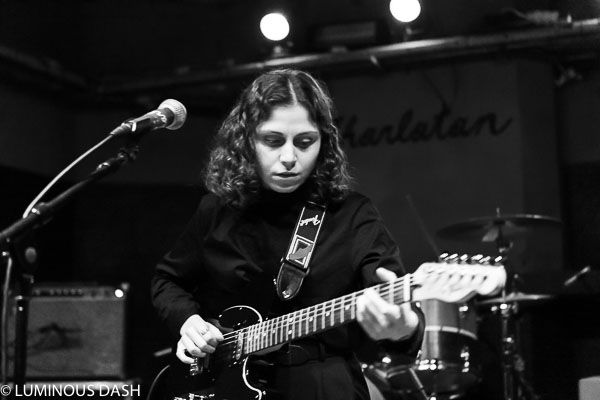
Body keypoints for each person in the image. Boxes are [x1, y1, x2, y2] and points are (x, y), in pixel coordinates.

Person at [151, 68, 424, 400]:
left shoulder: (353, 215)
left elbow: (394, 297)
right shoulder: (217, 209)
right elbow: (168, 280)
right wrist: (189, 322)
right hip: (223, 387)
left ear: (324, 142)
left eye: (305, 142)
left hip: (324, 387)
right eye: (273, 141)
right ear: (246, 140)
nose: (289, 158)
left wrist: (405, 326)